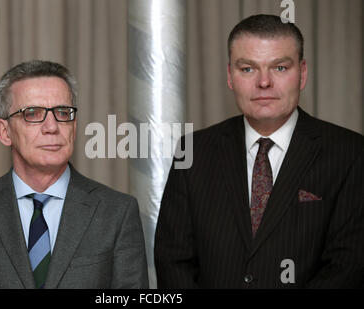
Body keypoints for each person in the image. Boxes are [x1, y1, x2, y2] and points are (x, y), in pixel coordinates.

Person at [155, 14, 364, 288]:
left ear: (302, 73)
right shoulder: (192, 152)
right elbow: (173, 262)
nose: (264, 82)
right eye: (248, 69)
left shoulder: (350, 154)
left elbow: (347, 267)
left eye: (279, 68)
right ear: (230, 76)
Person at [0, 60, 148, 289]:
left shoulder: (117, 212)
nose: (52, 126)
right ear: (5, 132)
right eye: (33, 113)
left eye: (62, 112)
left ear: (74, 127)